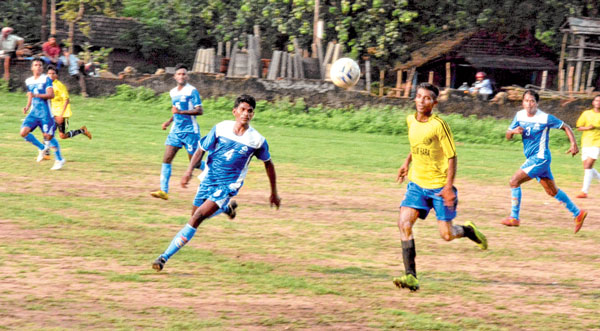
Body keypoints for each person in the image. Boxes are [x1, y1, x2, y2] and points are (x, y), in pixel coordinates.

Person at [151, 94, 281, 271]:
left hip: (227, 185)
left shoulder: (257, 140)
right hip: (208, 179)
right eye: (242, 110)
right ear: (235, 111)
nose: (246, 114)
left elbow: (269, 165)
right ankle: (226, 209)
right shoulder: (221, 128)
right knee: (195, 216)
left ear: (253, 114)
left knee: (196, 219)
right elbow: (201, 149)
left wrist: (274, 192)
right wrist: (189, 171)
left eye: (250, 111)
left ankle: (163, 257)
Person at [393, 83, 487, 292]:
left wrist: (448, 187)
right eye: (418, 96)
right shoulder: (410, 120)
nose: (421, 101)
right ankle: (411, 277)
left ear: (434, 103)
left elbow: (452, 156)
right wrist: (406, 162)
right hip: (417, 183)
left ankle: (469, 231)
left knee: (447, 235)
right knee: (404, 223)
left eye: (427, 98)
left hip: (439, 186)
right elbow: (418, 145)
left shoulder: (439, 125)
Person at [502, 89, 587, 233]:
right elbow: (508, 136)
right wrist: (512, 132)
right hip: (534, 159)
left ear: (537, 103)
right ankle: (578, 213)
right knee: (552, 191)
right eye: (526, 101)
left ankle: (514, 217)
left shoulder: (545, 118)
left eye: (532, 101)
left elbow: (566, 127)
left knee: (514, 181)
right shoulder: (519, 115)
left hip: (540, 158)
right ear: (522, 103)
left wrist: (573, 144)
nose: (529, 104)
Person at [150, 64, 204, 200]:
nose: (181, 76)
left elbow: (199, 110)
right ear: (175, 76)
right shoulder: (173, 92)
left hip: (190, 132)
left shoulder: (192, 91)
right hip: (176, 131)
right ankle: (164, 191)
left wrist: (181, 112)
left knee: (195, 163)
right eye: (179, 74)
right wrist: (169, 121)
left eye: (184, 74)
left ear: (187, 76)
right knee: (167, 158)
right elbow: (176, 110)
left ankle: (214, 170)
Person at [21, 58, 65, 170]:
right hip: (34, 113)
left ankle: (59, 159)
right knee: (23, 132)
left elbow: (51, 95)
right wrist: (27, 106)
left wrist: (37, 96)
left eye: (40, 65)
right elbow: (31, 94)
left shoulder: (46, 79)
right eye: (36, 65)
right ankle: (41, 148)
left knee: (48, 137)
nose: (38, 67)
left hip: (45, 113)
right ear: (32, 68)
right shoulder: (28, 81)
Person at [47, 66, 92, 140]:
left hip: (60, 113)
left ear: (56, 75)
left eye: (53, 73)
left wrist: (61, 115)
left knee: (62, 136)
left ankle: (82, 130)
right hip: (52, 112)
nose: (51, 75)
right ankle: (45, 149)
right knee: (49, 134)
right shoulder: (47, 84)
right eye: (49, 73)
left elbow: (66, 100)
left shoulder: (60, 86)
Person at [574, 95, 600, 198]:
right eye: (596, 100)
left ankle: (584, 191)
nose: (598, 102)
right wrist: (588, 128)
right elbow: (579, 127)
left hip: (597, 143)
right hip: (585, 143)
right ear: (593, 102)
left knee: (588, 166)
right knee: (587, 167)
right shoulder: (586, 114)